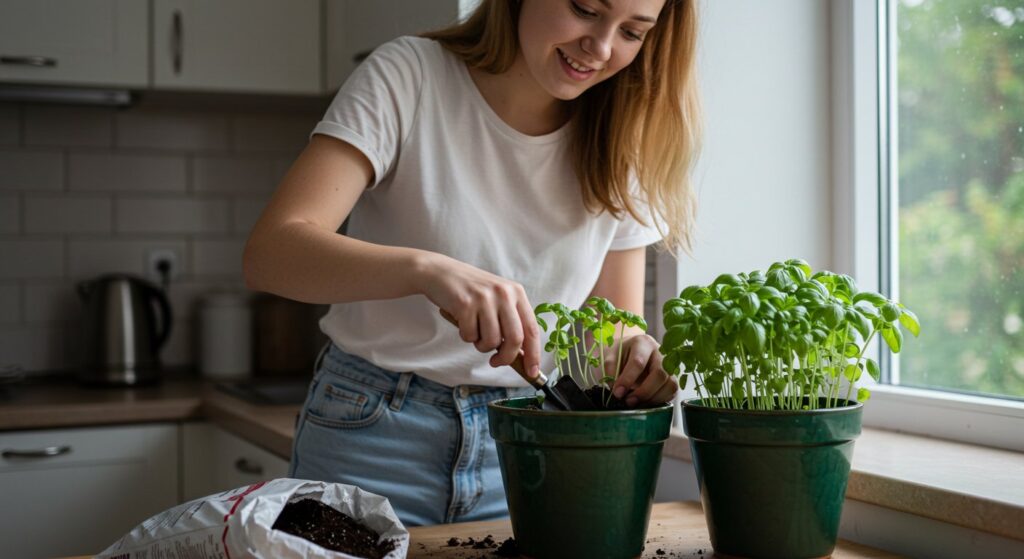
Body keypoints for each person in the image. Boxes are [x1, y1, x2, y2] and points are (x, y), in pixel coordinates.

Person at [242, 0, 701, 526]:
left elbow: (608, 329)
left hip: (528, 449)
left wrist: (633, 357)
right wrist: (428, 271)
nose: (599, 48)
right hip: (371, 433)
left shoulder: (623, 131)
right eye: (585, 9)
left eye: (633, 32)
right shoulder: (410, 75)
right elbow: (271, 253)